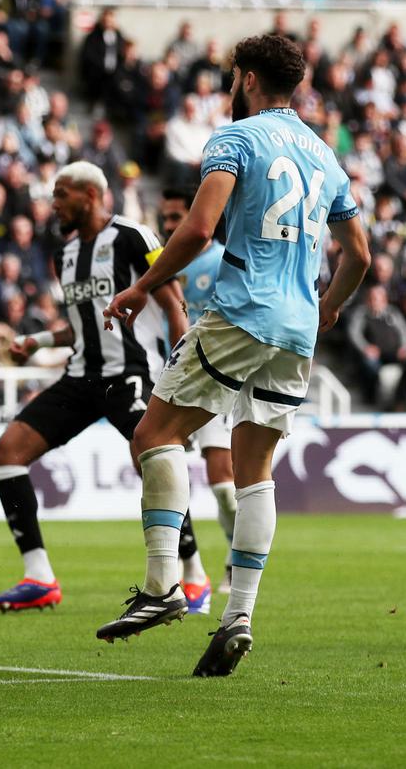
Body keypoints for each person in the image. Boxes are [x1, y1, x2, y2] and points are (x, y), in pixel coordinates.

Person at [99, 34, 370, 677]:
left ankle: (164, 585)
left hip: (243, 309)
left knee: (153, 435)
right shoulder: (326, 156)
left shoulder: (236, 139)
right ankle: (239, 614)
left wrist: (140, 286)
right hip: (299, 327)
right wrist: (328, 306)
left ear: (246, 79)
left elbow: (197, 229)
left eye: (230, 78)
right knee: (256, 470)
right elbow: (358, 255)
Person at [0, 162, 186, 613]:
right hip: (80, 377)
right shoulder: (65, 254)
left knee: (152, 461)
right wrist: (38, 340)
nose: (54, 202)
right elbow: (81, 325)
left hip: (129, 372)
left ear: (90, 196)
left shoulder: (133, 236)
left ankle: (190, 576)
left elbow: (175, 304)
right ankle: (39, 578)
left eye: (62, 193)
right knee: (6, 456)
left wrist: (178, 369)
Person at [158, 187, 238, 605]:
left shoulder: (222, 259)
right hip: (178, 377)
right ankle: (181, 571)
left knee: (224, 488)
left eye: (177, 217)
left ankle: (233, 558)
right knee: (160, 463)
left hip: (223, 376)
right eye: (166, 218)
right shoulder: (161, 263)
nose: (169, 225)